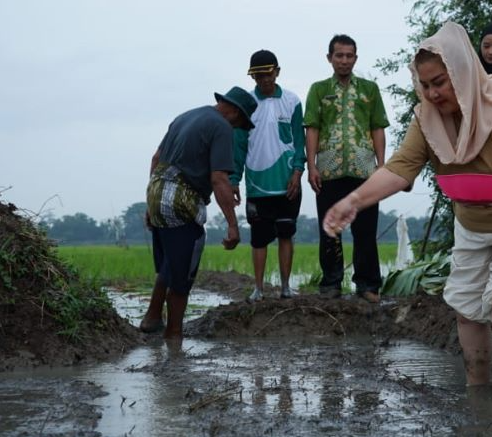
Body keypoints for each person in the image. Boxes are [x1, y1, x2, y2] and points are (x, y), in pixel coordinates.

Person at [323, 22, 492, 396]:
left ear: (463, 72)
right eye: (425, 86)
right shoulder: (427, 119)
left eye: (440, 82)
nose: (433, 93)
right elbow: (400, 168)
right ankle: (477, 399)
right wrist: (353, 200)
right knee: (466, 309)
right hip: (473, 217)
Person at [139, 87, 256, 339]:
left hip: (157, 191)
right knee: (185, 264)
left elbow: (156, 158)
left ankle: (152, 317)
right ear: (235, 111)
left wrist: (151, 204)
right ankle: (174, 336)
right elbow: (219, 179)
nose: (237, 129)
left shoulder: (185, 116)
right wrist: (233, 226)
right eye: (240, 123)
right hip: (181, 197)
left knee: (171, 260)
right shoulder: (222, 126)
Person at [304, 34, 389, 301]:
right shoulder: (318, 90)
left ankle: (367, 285)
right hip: (328, 169)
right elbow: (312, 128)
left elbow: (377, 127)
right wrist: (311, 166)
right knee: (330, 226)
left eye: (349, 56)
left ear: (355, 58)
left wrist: (382, 166)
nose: (344, 60)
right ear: (329, 58)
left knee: (365, 228)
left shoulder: (369, 89)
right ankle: (331, 283)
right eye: (339, 55)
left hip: (364, 170)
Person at [230, 50, 307, 302]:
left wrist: (298, 172)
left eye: (268, 73)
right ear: (253, 77)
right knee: (259, 238)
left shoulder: (293, 102)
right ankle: (259, 288)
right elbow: (239, 146)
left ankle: (285, 287)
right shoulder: (246, 105)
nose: (264, 79)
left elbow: (299, 142)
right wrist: (234, 180)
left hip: (288, 183)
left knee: (286, 233)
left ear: (277, 72)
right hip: (256, 184)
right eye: (259, 75)